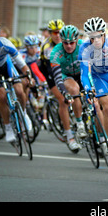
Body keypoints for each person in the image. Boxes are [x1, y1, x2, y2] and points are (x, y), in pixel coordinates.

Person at [79, 17, 108, 169]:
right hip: (99, 78)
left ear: (104, 34)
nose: (96, 40)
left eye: (99, 36)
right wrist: (88, 90)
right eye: (92, 37)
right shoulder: (84, 48)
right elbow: (84, 74)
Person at [0, 21, 34, 143]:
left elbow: (21, 63)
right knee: (1, 96)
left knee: (19, 90)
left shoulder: (6, 44)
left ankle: (24, 113)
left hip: (6, 65)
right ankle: (8, 128)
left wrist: (29, 76)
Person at [39, 19, 82, 152]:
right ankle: (69, 136)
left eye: (59, 32)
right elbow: (55, 72)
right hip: (52, 73)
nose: (57, 35)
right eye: (54, 32)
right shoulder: (48, 48)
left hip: (72, 70)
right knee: (63, 100)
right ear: (50, 33)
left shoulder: (77, 44)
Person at [50, 24, 87, 152]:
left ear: (77, 40)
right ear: (61, 41)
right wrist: (65, 93)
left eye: (72, 42)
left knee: (97, 102)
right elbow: (58, 78)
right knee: (72, 91)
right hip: (66, 76)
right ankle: (74, 130)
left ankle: (102, 139)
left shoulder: (84, 46)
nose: (69, 46)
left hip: (81, 73)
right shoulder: (56, 52)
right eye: (65, 43)